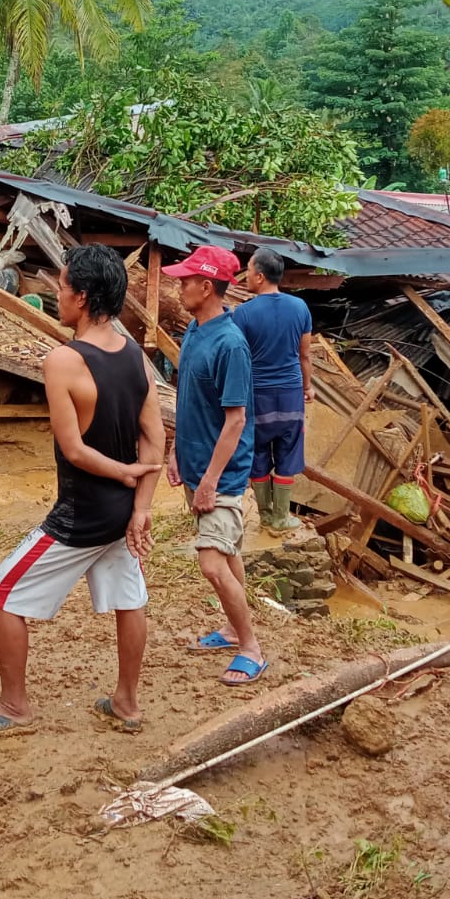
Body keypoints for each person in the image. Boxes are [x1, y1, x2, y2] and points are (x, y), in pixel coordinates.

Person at [0, 245, 164, 738]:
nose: (57, 293)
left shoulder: (64, 360)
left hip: (83, 514)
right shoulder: (134, 351)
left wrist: (122, 475)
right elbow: (155, 439)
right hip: (120, 513)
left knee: (1, 595)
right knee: (130, 599)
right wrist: (140, 507)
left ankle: (13, 706)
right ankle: (127, 703)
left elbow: (74, 450)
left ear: (84, 297)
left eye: (63, 286)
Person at [165, 245, 267, 686]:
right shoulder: (194, 330)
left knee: (210, 563)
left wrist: (208, 480)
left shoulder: (230, 344)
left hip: (222, 472)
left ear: (207, 287)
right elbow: (188, 400)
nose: (179, 285)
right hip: (197, 462)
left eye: (186, 280)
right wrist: (175, 451)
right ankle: (231, 629)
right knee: (227, 554)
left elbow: (236, 419)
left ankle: (252, 649)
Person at [231, 247, 314, 532]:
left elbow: (238, 358)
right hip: (291, 392)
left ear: (261, 276)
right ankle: (282, 517)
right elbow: (305, 355)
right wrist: (308, 386)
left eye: (249, 271)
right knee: (288, 451)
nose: (246, 276)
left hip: (258, 396)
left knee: (257, 451)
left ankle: (265, 514)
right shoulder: (300, 307)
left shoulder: (242, 314)